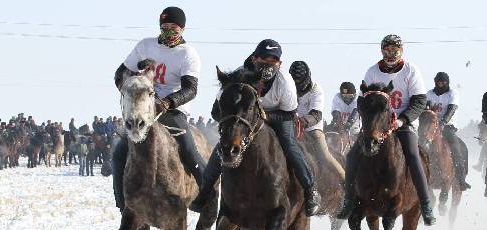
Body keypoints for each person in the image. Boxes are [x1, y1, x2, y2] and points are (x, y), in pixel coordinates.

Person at [189, 39, 322, 216]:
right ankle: (204, 191)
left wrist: (265, 117)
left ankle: (310, 190)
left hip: (278, 115)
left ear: (279, 63)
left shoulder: (284, 81)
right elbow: (217, 110)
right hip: (245, 119)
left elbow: (290, 113)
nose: (268, 65)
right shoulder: (237, 76)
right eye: (263, 60)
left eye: (273, 61)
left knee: (290, 145)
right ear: (254, 59)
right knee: (223, 146)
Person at [112, 6, 206, 210]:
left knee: (189, 150)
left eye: (173, 27)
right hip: (143, 107)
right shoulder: (145, 46)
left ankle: (209, 192)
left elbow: (191, 89)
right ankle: (122, 203)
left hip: (171, 109)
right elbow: (120, 75)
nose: (169, 31)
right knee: (119, 153)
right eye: (164, 27)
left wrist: (167, 102)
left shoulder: (188, 54)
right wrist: (135, 74)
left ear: (182, 29)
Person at [337, 34, 436, 225]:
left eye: (394, 50)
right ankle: (349, 199)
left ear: (401, 51)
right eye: (387, 50)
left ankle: (425, 204)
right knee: (351, 156)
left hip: (403, 123)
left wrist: (402, 120)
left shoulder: (411, 71)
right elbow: (362, 99)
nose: (390, 54)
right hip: (377, 123)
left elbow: (419, 101)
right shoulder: (372, 71)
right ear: (382, 51)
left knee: (414, 157)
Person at [289, 60, 345, 183]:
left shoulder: (316, 90)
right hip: (289, 124)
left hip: (312, 127)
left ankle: (346, 183)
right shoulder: (287, 87)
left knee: (324, 155)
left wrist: (302, 121)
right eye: (294, 81)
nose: (297, 85)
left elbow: (316, 114)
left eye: (300, 82)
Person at [426, 72, 471, 190]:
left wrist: (442, 122)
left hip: (447, 127)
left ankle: (461, 179)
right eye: (438, 82)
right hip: (430, 125)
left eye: (443, 82)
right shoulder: (429, 94)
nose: (440, 84)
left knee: (457, 148)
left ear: (447, 82)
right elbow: (425, 108)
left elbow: (452, 109)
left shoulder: (452, 93)